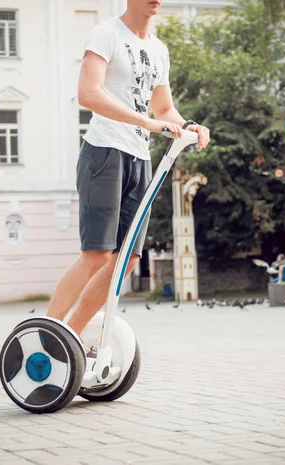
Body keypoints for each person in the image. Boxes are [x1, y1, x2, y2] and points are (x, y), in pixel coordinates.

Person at [46, 0, 210, 354]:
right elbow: (88, 93)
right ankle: (46, 336)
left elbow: (164, 109)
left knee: (129, 258)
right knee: (98, 254)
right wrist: (144, 122)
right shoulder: (106, 34)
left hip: (140, 158)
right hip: (104, 152)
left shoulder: (158, 49)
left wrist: (189, 126)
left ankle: (69, 339)